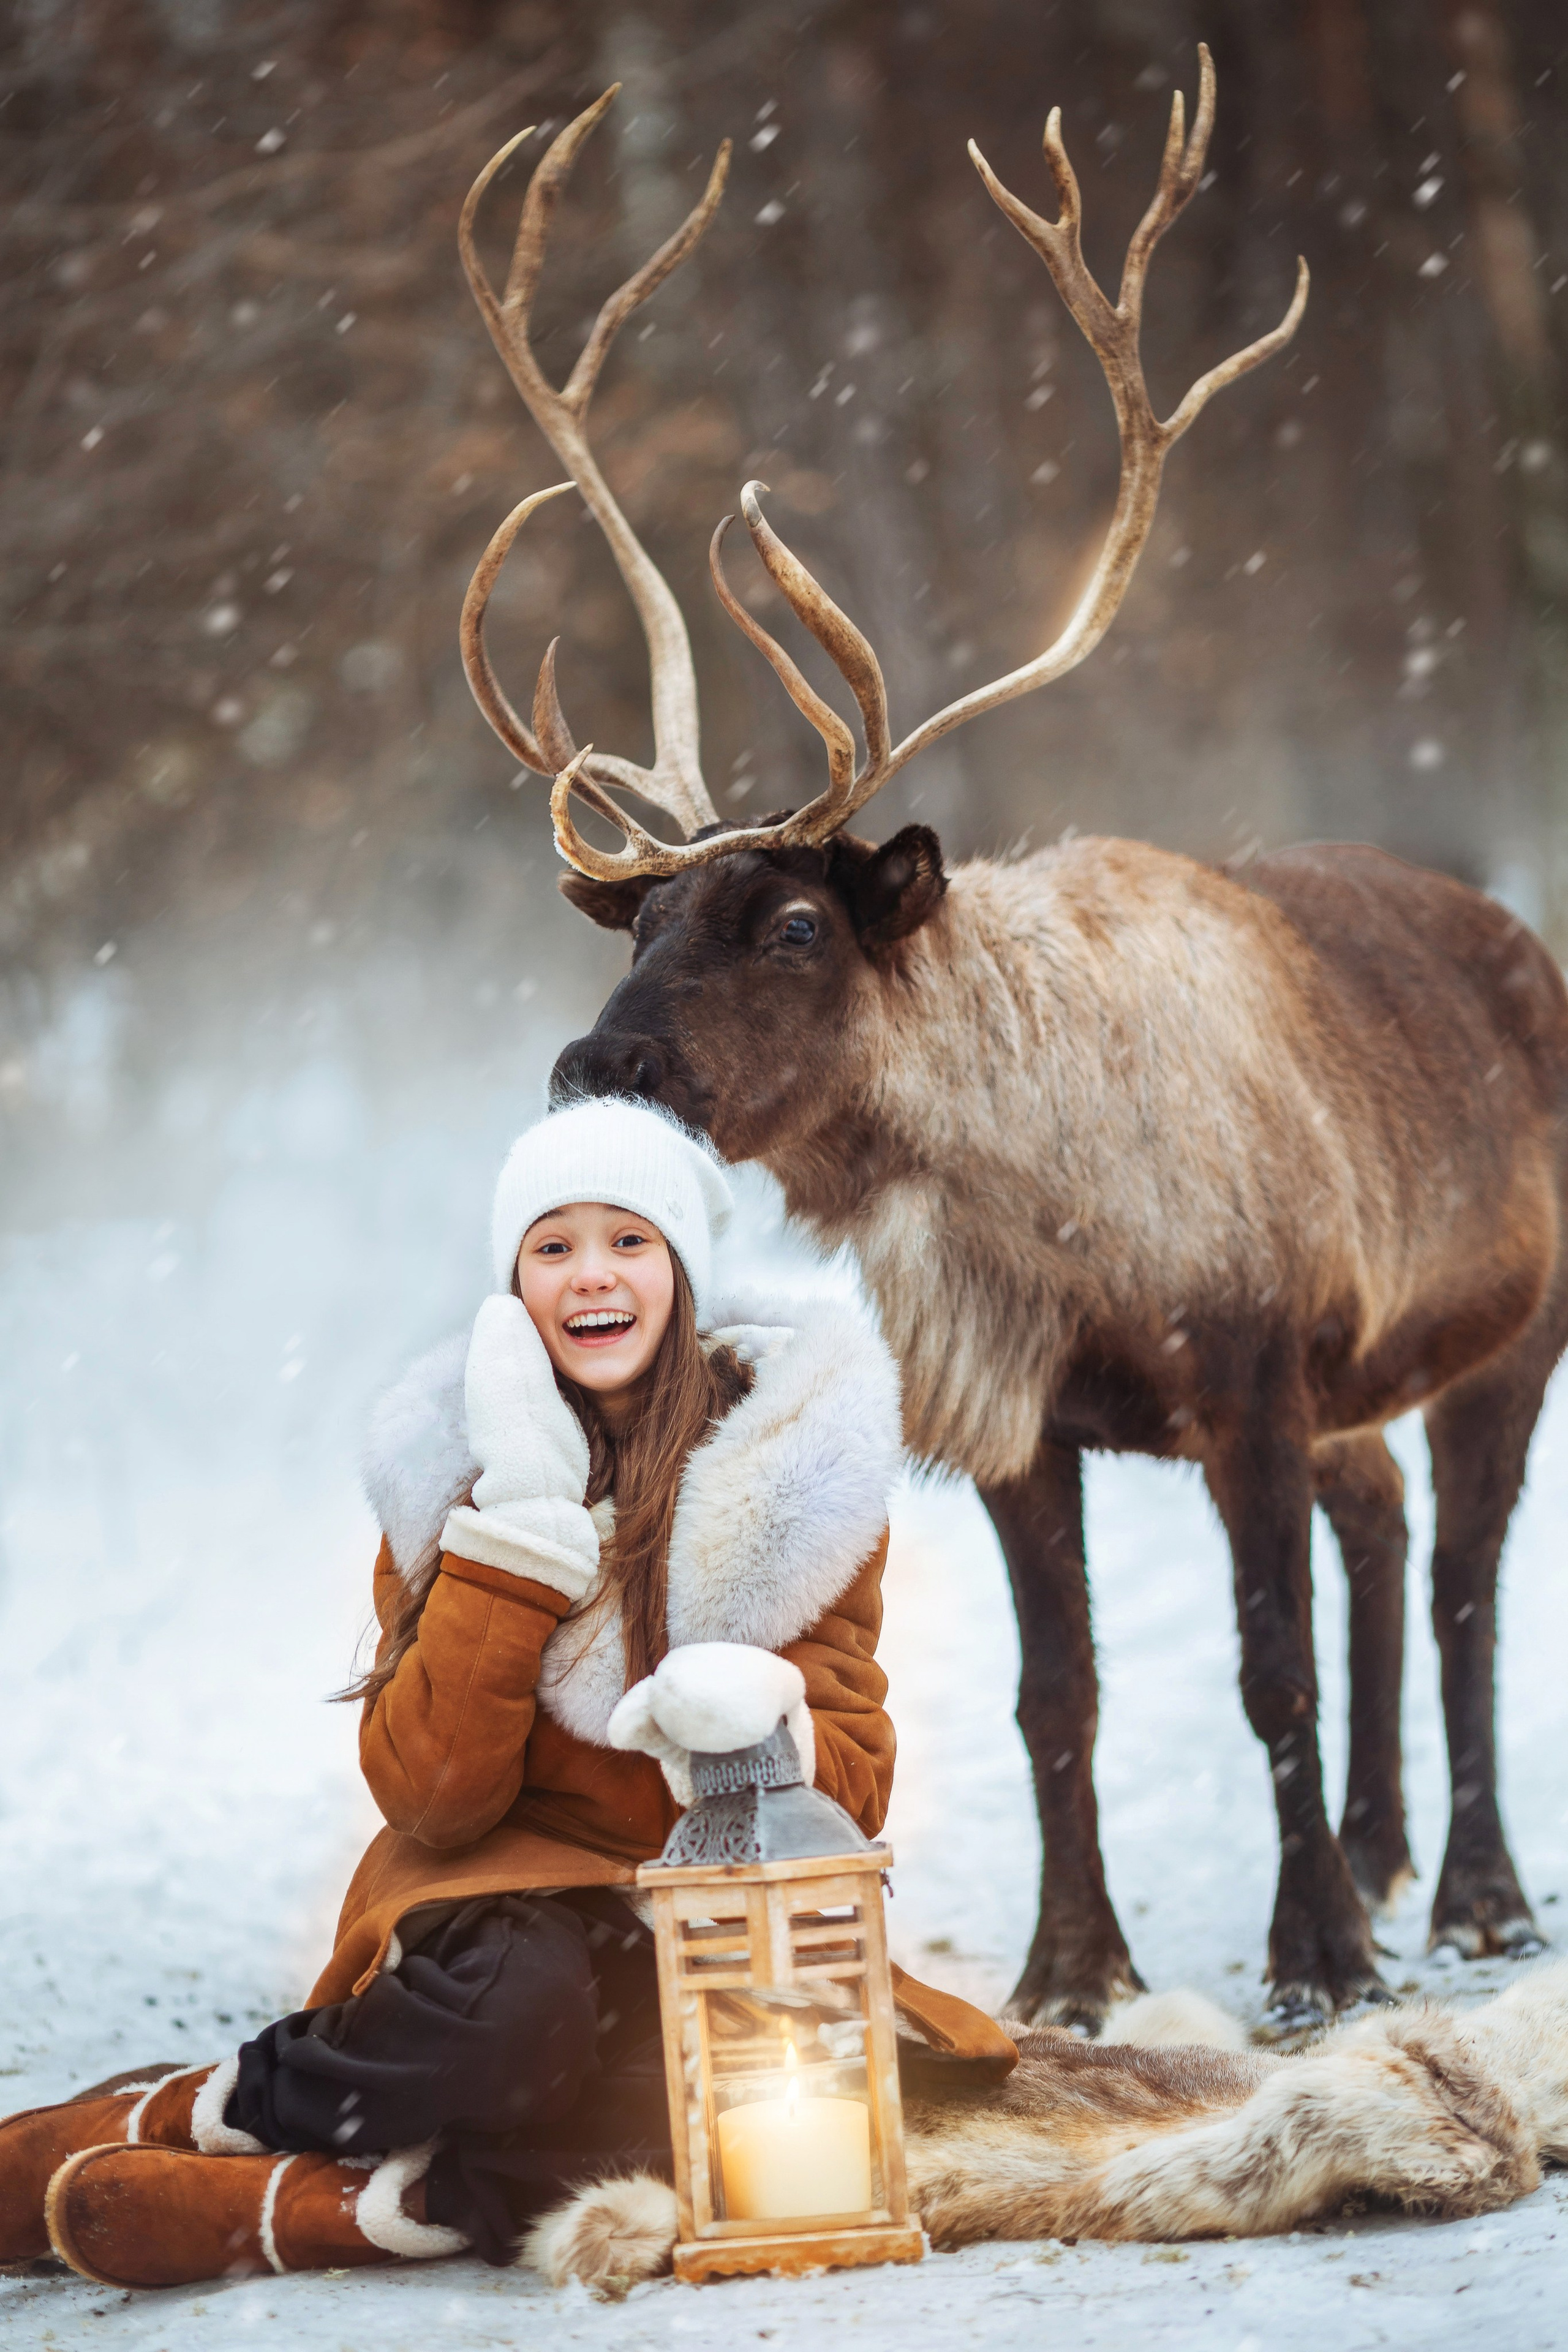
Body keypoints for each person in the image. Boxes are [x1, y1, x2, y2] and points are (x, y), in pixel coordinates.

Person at [6, 1097, 1011, 2290]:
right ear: (516, 1283)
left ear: (683, 1268)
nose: (592, 1276)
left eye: (628, 1240)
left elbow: (849, 1785)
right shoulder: (454, 1470)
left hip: (696, 1910)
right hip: (495, 1885)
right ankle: (220, 2109)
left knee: (755, 2122)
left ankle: (352, 2206)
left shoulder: (800, 1476)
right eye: (553, 1246)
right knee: (516, 2021)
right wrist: (513, 1546)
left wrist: (749, 1723)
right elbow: (433, 1798)